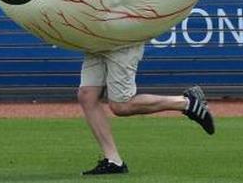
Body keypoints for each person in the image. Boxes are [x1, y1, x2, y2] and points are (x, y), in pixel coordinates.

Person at [76, 44, 215, 175]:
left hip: (121, 40)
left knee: (121, 105)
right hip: (96, 42)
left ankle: (186, 103)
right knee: (87, 96)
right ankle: (114, 161)